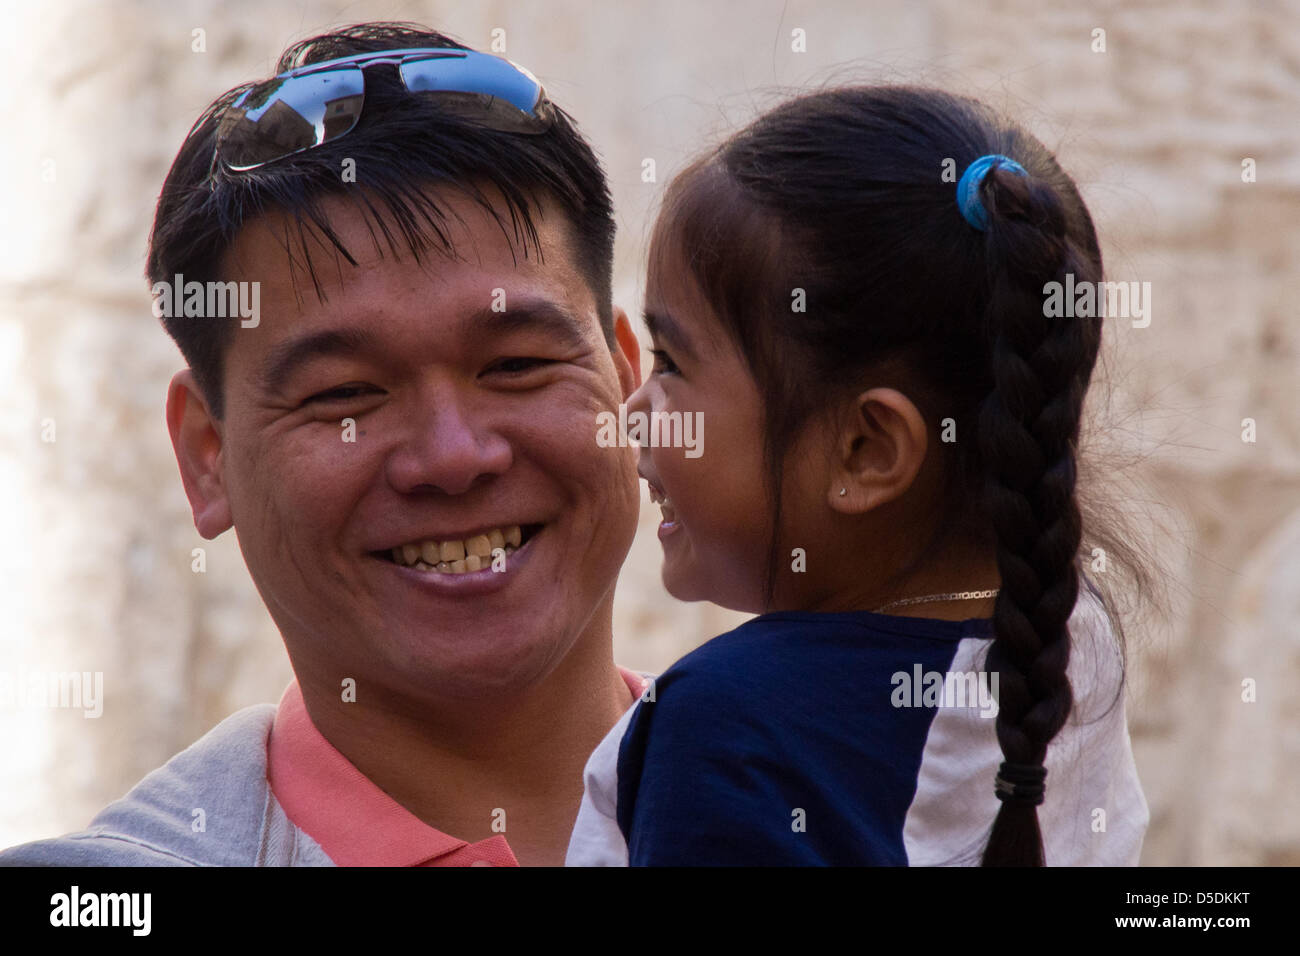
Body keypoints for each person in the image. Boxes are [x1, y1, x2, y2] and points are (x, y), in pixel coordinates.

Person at [0, 22, 649, 868]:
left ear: (632, 385)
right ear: (207, 456)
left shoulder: (851, 807)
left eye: (518, 365)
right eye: (346, 394)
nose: (454, 457)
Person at [566, 86, 1149, 866]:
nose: (635, 408)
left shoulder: (727, 728)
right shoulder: (1069, 644)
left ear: (866, 452)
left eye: (672, 364)